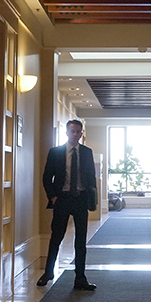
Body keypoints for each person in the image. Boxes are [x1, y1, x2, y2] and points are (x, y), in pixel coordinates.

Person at [37, 119, 98, 290]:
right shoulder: (55, 152)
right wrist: (53, 197)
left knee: (80, 240)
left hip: (80, 199)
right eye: (73, 131)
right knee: (56, 236)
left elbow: (91, 178)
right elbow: (46, 177)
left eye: (79, 132)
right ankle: (48, 272)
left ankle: (80, 278)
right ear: (66, 132)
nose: (76, 135)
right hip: (62, 198)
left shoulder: (87, 152)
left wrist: (90, 198)